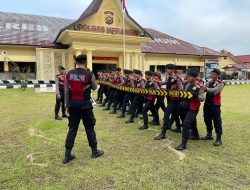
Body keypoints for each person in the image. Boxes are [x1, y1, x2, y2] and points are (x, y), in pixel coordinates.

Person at [63, 55, 104, 164]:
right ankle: (94, 151)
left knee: (72, 129)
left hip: (73, 105)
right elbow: (95, 88)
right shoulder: (89, 74)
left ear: (76, 63)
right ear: (85, 62)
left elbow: (67, 91)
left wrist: (67, 106)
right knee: (90, 128)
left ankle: (67, 155)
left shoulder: (69, 74)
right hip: (85, 105)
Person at [175, 69, 205, 151]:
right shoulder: (187, 85)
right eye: (187, 76)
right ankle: (196, 135)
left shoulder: (199, 87)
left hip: (193, 108)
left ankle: (183, 144)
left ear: (195, 78)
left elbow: (202, 98)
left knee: (186, 124)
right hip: (185, 107)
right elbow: (184, 93)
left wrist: (196, 96)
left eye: (189, 76)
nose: (187, 78)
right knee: (192, 123)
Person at [155, 64, 182, 140]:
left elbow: (181, 88)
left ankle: (163, 133)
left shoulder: (177, 77)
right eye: (166, 69)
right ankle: (179, 128)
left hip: (175, 100)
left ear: (172, 70)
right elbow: (167, 83)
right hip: (169, 98)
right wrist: (160, 82)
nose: (167, 71)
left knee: (166, 115)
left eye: (168, 69)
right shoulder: (169, 77)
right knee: (175, 114)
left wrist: (174, 93)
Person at [201, 68, 225, 146]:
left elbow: (215, 90)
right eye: (213, 74)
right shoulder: (208, 82)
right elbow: (202, 88)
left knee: (217, 121)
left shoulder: (221, 83)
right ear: (211, 74)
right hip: (207, 104)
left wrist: (205, 89)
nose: (214, 76)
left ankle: (219, 139)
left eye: (215, 74)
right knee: (206, 119)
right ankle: (209, 134)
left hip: (215, 105)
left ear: (218, 75)